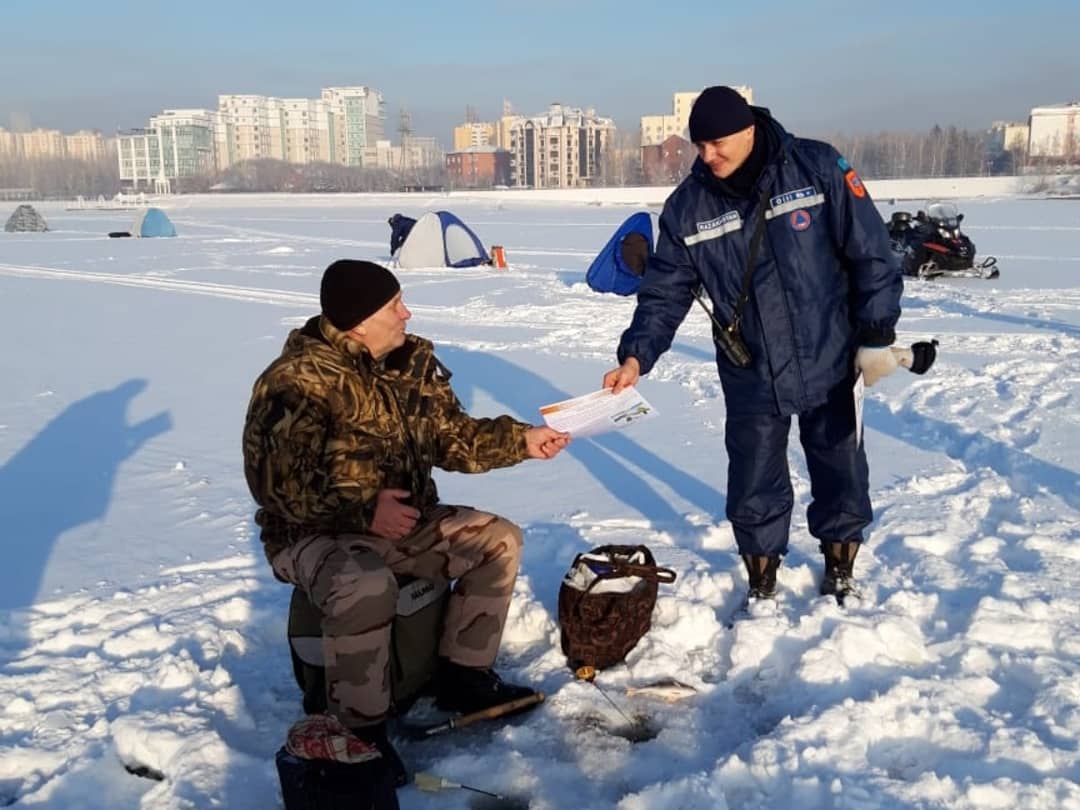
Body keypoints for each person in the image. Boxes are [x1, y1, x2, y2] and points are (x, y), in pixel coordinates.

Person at [242, 259, 570, 781]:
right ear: (357, 322)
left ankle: (463, 676)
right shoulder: (296, 383)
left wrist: (522, 442)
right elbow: (276, 486)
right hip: (310, 533)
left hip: (404, 520)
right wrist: (365, 512)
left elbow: (451, 436)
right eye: (394, 306)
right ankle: (361, 732)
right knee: (364, 583)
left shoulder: (407, 362)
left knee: (497, 541)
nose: (407, 314)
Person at [603, 86, 903, 605]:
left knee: (839, 464)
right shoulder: (688, 206)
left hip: (830, 351)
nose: (707, 156)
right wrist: (636, 355)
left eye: (716, 144)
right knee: (753, 473)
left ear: (747, 131)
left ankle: (840, 566)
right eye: (699, 146)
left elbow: (871, 253)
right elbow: (665, 291)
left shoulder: (816, 167)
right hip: (751, 366)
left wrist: (876, 335)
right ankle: (761, 581)